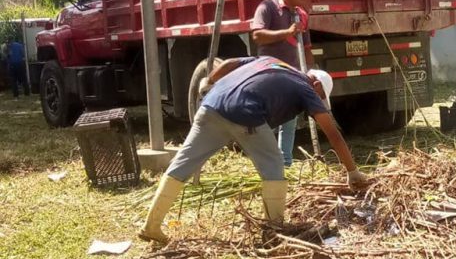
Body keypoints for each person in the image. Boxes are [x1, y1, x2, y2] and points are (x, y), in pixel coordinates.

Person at [139, 56, 369, 244]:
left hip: (210, 105)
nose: (318, 101)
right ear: (317, 85)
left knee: (183, 163)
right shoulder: (306, 87)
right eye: (321, 97)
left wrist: (207, 82)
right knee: (274, 165)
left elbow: (228, 63)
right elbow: (332, 132)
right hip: (245, 113)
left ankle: (151, 226)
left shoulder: (270, 61)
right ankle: (274, 232)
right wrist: (352, 171)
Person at [251, 0, 315, 167]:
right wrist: (286, 33)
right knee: (266, 119)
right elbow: (258, 36)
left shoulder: (302, 14)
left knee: (289, 120)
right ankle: (264, 160)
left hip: (292, 74)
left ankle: (284, 163)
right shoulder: (268, 7)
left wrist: (310, 72)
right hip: (269, 72)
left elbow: (306, 47)